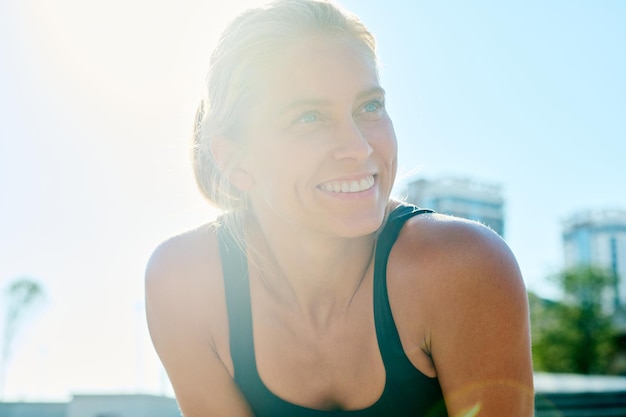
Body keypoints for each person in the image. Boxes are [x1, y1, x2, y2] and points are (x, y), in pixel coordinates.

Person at [145, 0, 534, 416]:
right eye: (308, 117)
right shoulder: (185, 284)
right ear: (234, 161)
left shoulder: (461, 267)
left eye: (370, 107)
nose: (359, 148)